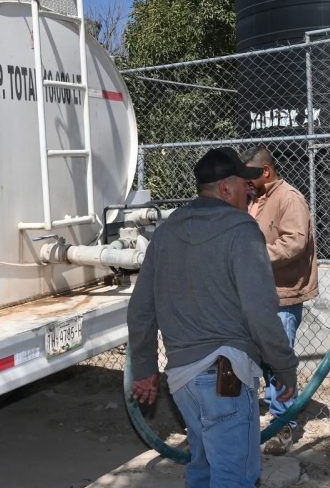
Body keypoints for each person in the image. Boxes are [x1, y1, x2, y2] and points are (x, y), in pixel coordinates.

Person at [127, 147, 300, 487]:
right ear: (225, 188)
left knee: (204, 469)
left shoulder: (166, 232)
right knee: (234, 476)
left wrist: (145, 369)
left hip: (183, 380)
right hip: (226, 375)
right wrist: (284, 368)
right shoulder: (242, 230)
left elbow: (140, 309)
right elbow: (259, 310)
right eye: (243, 185)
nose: (250, 190)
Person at [241, 146, 318, 455]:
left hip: (282, 294)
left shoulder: (289, 199)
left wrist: (254, 256)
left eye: (250, 174)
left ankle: (283, 425)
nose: (245, 180)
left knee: (278, 360)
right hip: (259, 293)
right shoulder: (257, 198)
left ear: (266, 171)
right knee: (255, 357)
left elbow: (295, 243)